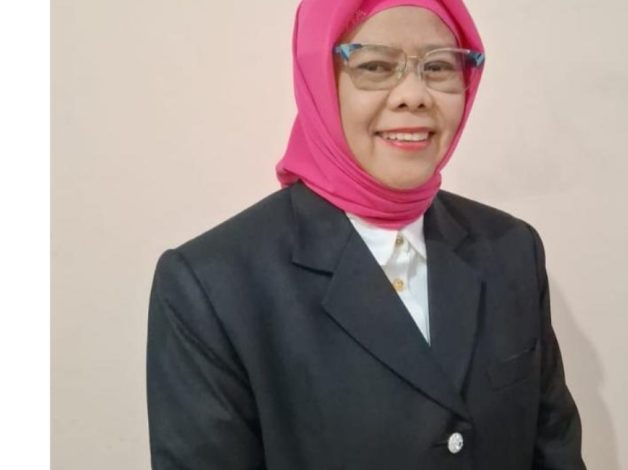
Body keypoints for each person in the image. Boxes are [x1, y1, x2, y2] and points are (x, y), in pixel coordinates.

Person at [146, 0, 586, 468]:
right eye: (375, 65)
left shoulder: (510, 249)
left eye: (438, 66)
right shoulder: (212, 287)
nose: (413, 95)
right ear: (319, 80)